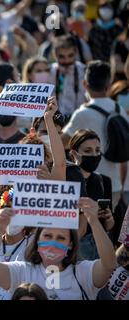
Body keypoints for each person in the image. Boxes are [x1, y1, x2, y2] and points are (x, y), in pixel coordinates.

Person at [0, 200, 117, 300]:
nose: (53, 243)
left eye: (61, 238)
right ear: (37, 240)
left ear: (70, 244)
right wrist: (0, 229)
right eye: (47, 236)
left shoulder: (83, 273)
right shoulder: (23, 271)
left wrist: (94, 221)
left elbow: (109, 264)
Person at [62, 61, 129, 208]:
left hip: (91, 184)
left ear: (85, 84)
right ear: (109, 84)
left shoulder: (82, 113)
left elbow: (62, 143)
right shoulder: (118, 109)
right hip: (117, 183)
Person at [0, 94, 66, 199]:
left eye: (33, 163)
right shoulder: (3, 189)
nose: (26, 168)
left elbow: (60, 164)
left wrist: (48, 119)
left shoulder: (53, 183)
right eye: (21, 162)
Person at [69, 129, 115, 260]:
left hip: (98, 249)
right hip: (75, 248)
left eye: (97, 150)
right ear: (74, 153)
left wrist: (109, 218)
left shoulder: (103, 181)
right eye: (88, 151)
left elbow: (109, 226)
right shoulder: (66, 179)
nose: (94, 155)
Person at [48, 34, 87, 117]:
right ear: (55, 54)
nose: (67, 60)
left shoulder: (83, 71)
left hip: (77, 119)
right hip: (55, 120)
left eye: (70, 55)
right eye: (62, 57)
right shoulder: (50, 71)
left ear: (76, 53)